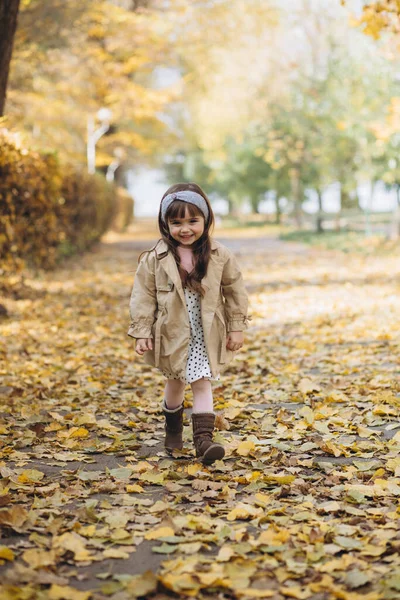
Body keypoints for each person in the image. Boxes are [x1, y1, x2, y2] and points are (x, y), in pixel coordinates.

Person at [128, 182, 249, 465]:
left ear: (206, 221)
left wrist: (236, 326)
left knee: (202, 382)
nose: (185, 229)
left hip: (206, 333)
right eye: (176, 222)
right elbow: (143, 296)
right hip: (172, 333)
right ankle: (172, 428)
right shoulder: (154, 259)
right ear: (165, 223)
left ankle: (203, 441)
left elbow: (235, 290)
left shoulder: (219, 255)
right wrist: (142, 332)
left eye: (193, 221)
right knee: (174, 383)